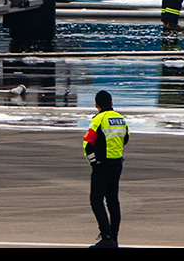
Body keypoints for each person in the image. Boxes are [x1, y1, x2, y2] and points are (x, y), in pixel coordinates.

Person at [83, 89, 129, 248]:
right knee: (112, 201)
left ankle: (106, 236)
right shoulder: (120, 118)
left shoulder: (99, 120)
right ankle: (114, 238)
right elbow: (126, 139)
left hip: (102, 165)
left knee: (96, 200)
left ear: (96, 105)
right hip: (117, 164)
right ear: (111, 103)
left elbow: (87, 144)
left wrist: (93, 162)